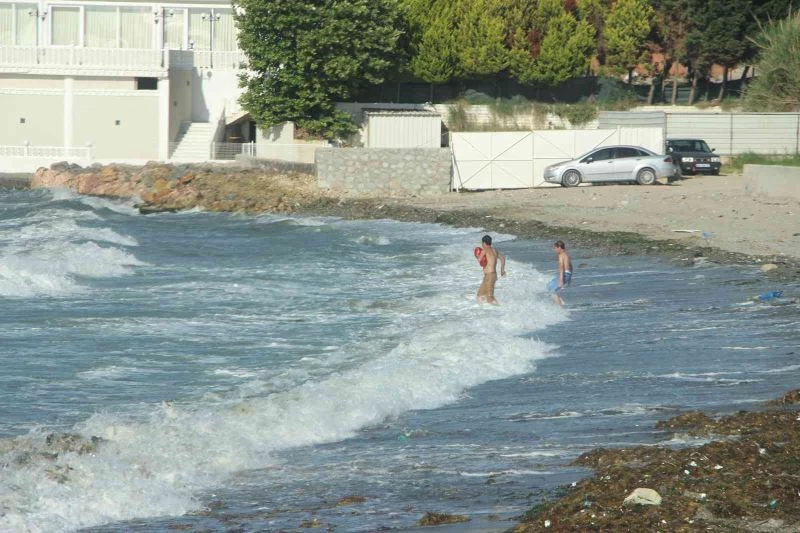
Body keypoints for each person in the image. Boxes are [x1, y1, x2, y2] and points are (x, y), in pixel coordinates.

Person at [476, 235, 506, 304]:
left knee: (490, 297)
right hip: (492, 275)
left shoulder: (484, 250)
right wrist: (502, 270)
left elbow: (479, 260)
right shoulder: (495, 251)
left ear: (484, 243)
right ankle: (486, 311)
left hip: (489, 276)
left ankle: (500, 309)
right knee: (480, 295)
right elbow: (503, 258)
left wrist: (477, 255)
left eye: (482, 243)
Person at [549, 240, 573, 306]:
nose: (554, 250)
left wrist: (561, 280)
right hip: (568, 274)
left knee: (551, 290)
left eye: (555, 248)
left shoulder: (561, 255)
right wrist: (570, 278)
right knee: (550, 285)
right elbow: (571, 267)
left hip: (564, 275)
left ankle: (559, 306)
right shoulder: (566, 255)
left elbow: (561, 267)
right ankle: (560, 301)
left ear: (559, 247)